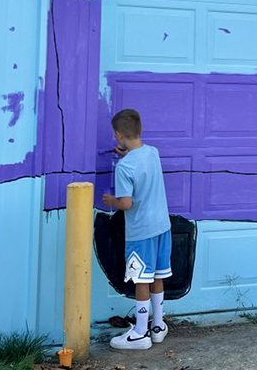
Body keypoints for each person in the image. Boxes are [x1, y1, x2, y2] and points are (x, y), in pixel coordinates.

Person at [102, 109, 172, 350]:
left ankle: (140, 333)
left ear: (118, 135)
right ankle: (158, 326)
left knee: (141, 279)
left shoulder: (124, 167)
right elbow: (140, 159)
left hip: (141, 232)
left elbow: (126, 203)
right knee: (157, 276)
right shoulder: (153, 153)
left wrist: (111, 200)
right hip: (163, 227)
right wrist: (128, 151)